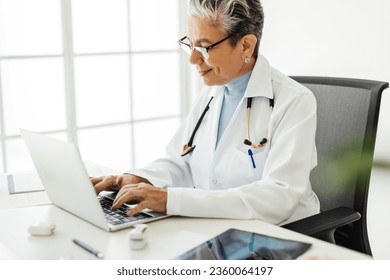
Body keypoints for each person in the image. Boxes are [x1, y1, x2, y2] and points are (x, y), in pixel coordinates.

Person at [92, 0, 320, 225]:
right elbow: (181, 161)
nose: (193, 58)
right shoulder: (211, 93)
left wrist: (172, 199)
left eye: (204, 47)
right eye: (189, 44)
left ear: (245, 46)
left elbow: (278, 197)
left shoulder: (294, 101)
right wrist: (137, 179)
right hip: (216, 226)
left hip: (281, 235)